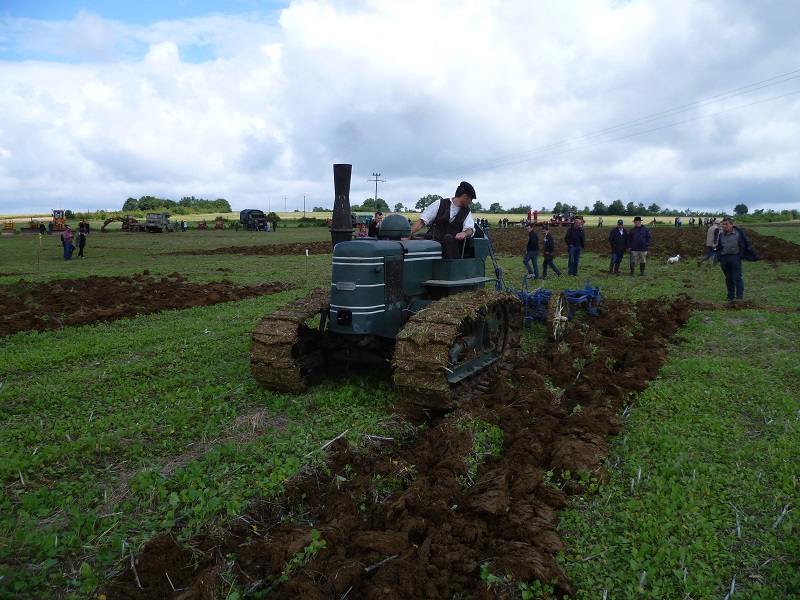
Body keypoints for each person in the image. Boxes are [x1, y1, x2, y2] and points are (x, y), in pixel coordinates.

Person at [408, 181, 476, 259]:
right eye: (471, 199)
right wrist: (408, 234)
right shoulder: (440, 203)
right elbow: (422, 221)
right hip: (434, 239)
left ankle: (451, 268)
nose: (471, 202)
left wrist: (464, 233)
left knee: (448, 238)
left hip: (452, 245)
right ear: (465, 197)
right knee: (421, 236)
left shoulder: (467, 212)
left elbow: (470, 230)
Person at [715, 216, 758, 301]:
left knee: (737, 277)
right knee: (728, 278)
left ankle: (739, 296)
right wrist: (719, 257)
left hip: (735, 257)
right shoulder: (721, 235)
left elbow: (745, 244)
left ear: (731, 225)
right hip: (724, 258)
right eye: (723, 224)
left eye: (726, 224)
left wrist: (742, 255)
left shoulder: (738, 233)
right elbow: (719, 247)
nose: (724, 226)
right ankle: (730, 296)